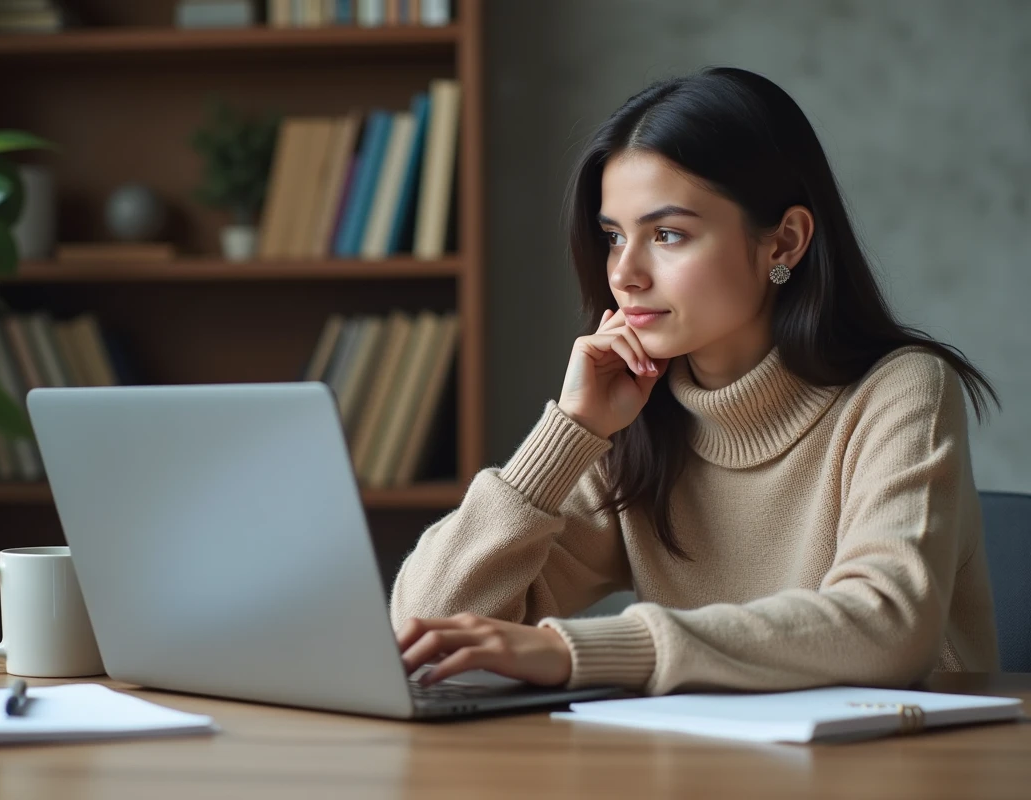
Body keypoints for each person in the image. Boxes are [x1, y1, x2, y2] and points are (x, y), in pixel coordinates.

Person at [389, 66, 1001, 696]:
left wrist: (579, 651)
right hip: (708, 767)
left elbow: (888, 625)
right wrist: (569, 432)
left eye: (668, 235)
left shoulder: (900, 391)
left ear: (784, 243)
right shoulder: (633, 417)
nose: (624, 274)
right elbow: (426, 630)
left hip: (899, 768)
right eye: (612, 237)